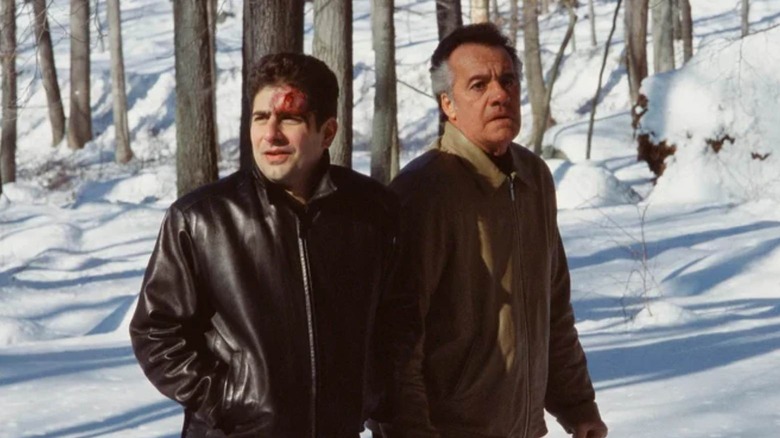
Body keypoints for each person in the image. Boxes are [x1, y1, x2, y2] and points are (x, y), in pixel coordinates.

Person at [130, 53, 402, 438]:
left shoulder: (372, 211)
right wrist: (226, 401)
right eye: (260, 118)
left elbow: (399, 321)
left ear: (327, 133)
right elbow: (155, 331)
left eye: (289, 119)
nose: (271, 134)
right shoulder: (200, 219)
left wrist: (370, 395)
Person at [386, 24, 608, 438]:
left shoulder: (533, 177)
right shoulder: (424, 190)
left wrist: (578, 405)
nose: (499, 94)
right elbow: (396, 340)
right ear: (448, 104)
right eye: (478, 85)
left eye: (508, 80)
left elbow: (554, 309)